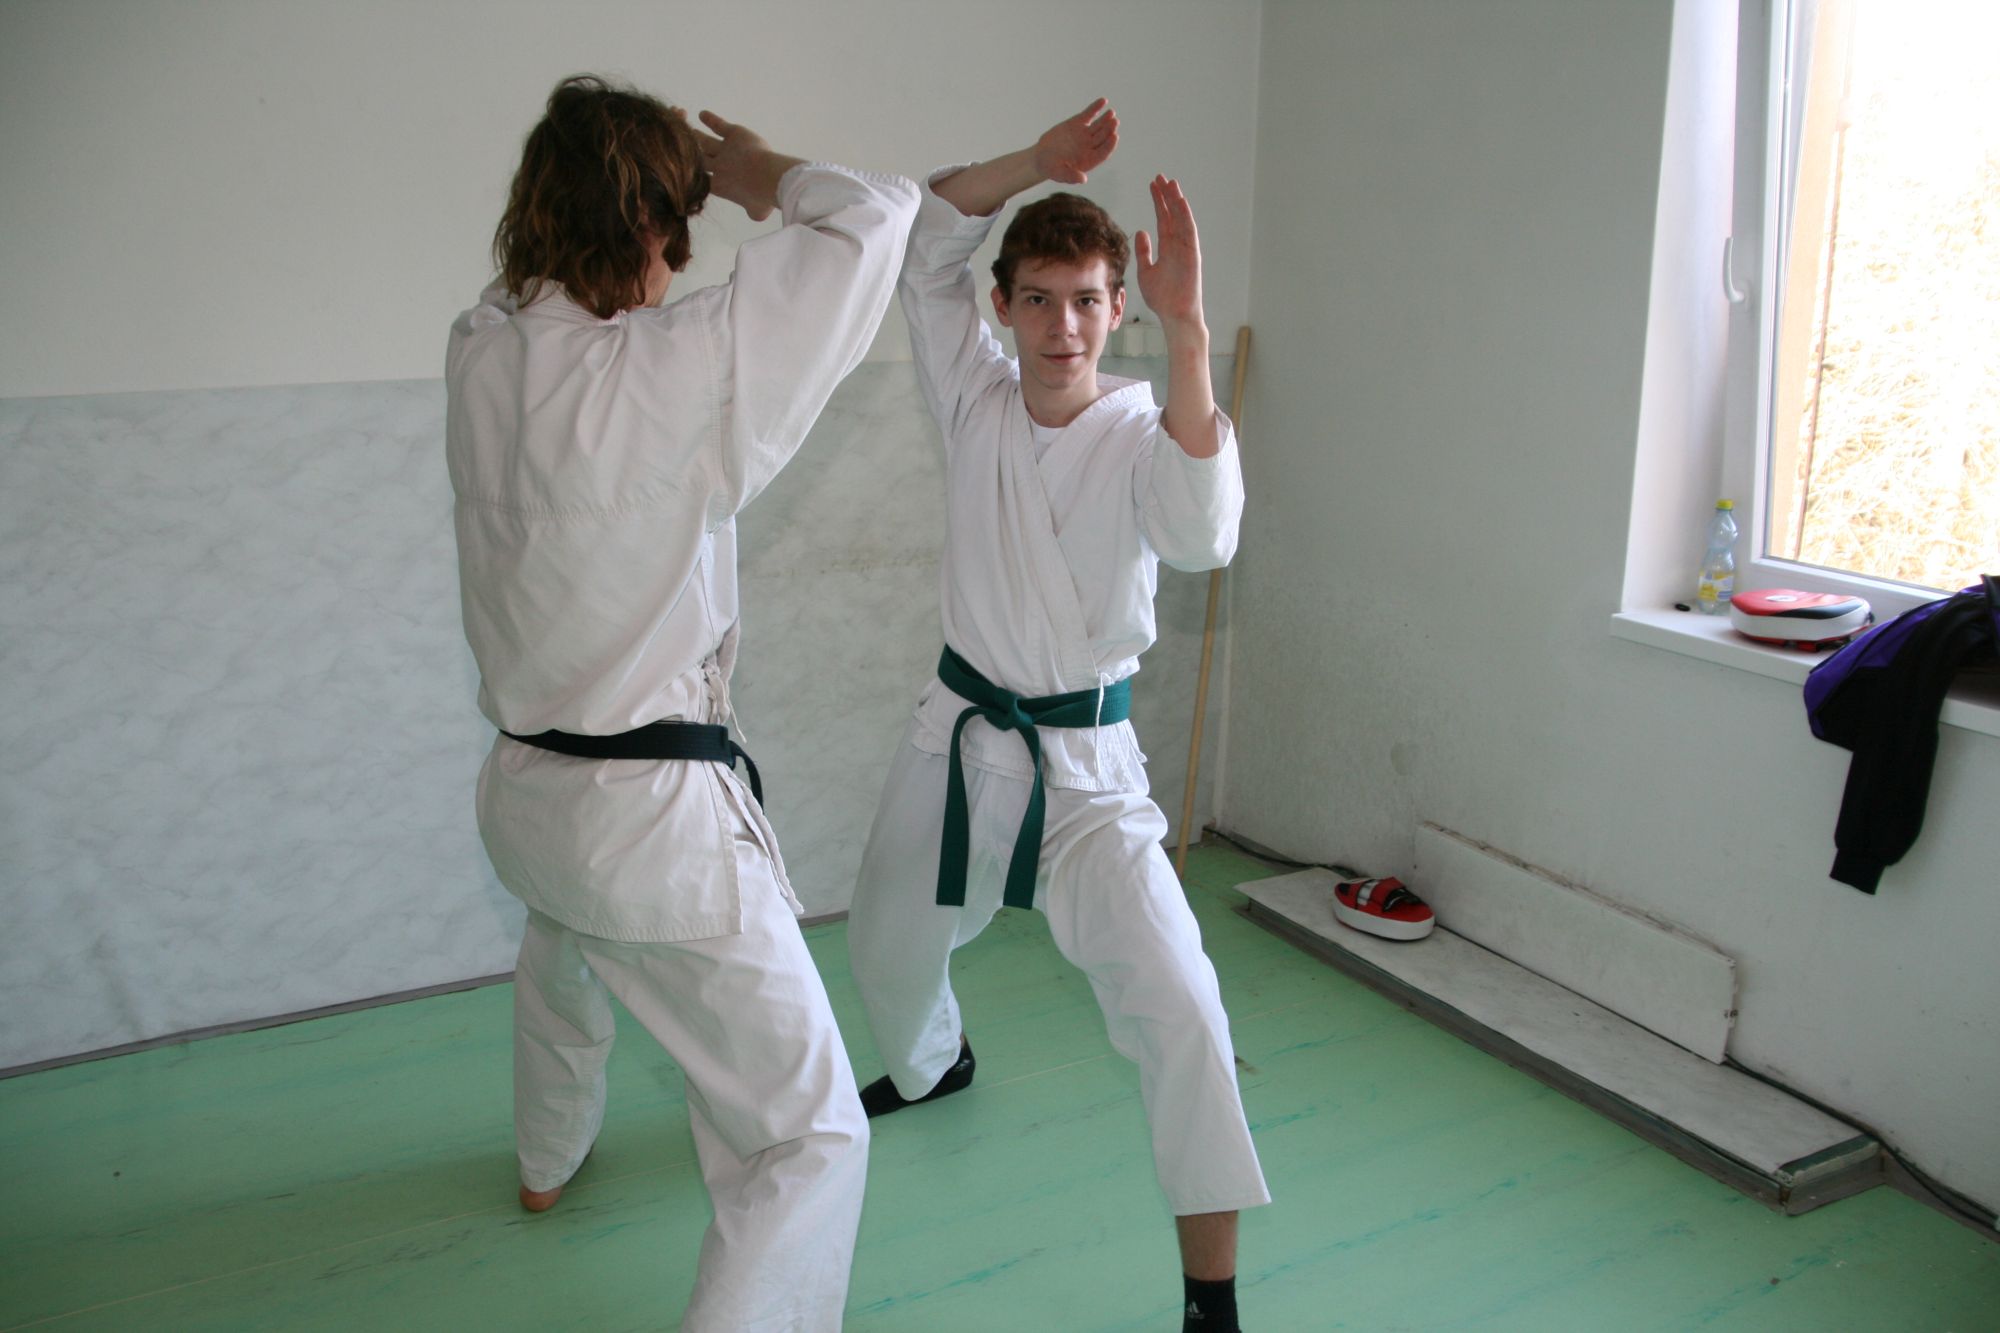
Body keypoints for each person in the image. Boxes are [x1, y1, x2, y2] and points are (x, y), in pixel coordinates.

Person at [445, 74, 917, 1330]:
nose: (678, 263)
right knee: (809, 1136)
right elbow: (871, 217)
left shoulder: (481, 351)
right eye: (674, 228)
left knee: (562, 957)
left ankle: (545, 1163)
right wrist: (755, 173)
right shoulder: (674, 366)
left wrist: (639, 187)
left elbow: (546, 297)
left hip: (526, 797)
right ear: (648, 222)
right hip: (650, 825)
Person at [845, 100, 1266, 1333]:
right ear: (1002, 307)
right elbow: (929, 232)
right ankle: (934, 1063)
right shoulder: (969, 395)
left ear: (1115, 308)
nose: (1061, 326)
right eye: (1036, 299)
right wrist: (1033, 163)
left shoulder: (1143, 427)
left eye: (1085, 301)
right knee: (882, 947)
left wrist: (1190, 332)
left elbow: (1201, 538)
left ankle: (1209, 1298)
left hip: (1087, 772)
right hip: (957, 737)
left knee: (1183, 1008)